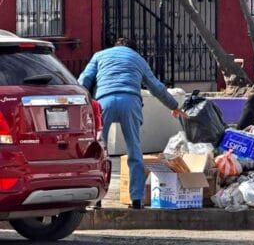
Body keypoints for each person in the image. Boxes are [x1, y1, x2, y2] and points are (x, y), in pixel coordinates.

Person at [78, 38, 186, 209]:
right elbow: (156, 87)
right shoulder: (138, 59)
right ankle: (137, 199)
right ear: (133, 49)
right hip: (130, 102)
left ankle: (96, 198)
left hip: (104, 102)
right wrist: (174, 106)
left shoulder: (99, 55)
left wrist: (81, 103)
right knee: (134, 150)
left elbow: (84, 80)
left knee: (99, 150)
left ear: (116, 46)